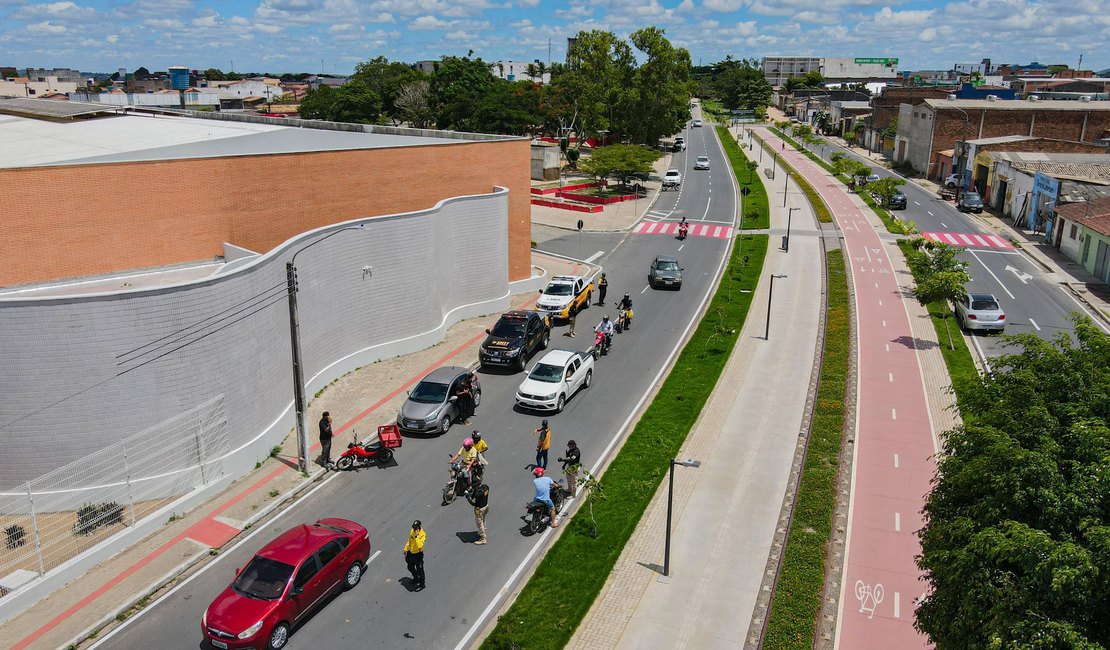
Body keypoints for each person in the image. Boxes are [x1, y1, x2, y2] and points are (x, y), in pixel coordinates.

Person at [466, 474, 490, 545]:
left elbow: (473, 502)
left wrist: (467, 496)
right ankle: (483, 531)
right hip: (486, 506)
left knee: (479, 523)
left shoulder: (478, 493)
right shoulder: (486, 487)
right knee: (483, 520)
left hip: (480, 509)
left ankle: (483, 538)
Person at [403, 520, 426, 591]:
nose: (413, 529)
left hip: (418, 555)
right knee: (410, 567)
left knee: (420, 570)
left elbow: (420, 546)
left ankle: (422, 584)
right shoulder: (412, 531)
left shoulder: (422, 534)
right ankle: (416, 578)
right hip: (411, 553)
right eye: (413, 527)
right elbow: (409, 540)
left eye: (415, 528)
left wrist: (416, 536)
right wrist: (406, 548)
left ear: (418, 528)